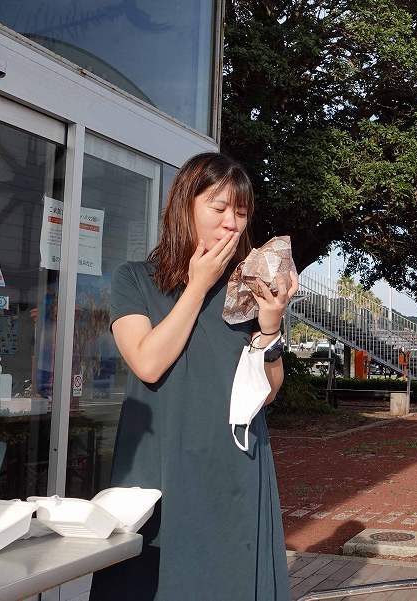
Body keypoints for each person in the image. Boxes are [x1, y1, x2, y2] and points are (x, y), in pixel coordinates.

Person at [89, 153, 297, 601]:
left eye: (241, 213)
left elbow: (268, 392)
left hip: (234, 464)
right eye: (218, 208)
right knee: (151, 581)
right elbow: (147, 362)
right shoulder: (136, 280)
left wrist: (271, 326)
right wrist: (197, 285)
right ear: (185, 206)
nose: (232, 224)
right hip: (158, 464)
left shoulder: (251, 288)